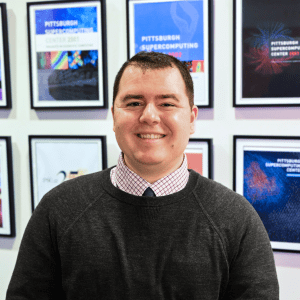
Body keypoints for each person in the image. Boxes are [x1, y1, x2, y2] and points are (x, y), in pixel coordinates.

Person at [6, 51, 279, 299]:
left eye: (167, 104)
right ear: (114, 116)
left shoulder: (236, 219)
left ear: (192, 118)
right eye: (134, 102)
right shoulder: (59, 210)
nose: (149, 116)